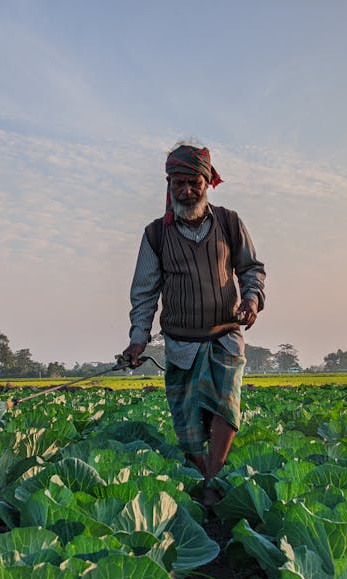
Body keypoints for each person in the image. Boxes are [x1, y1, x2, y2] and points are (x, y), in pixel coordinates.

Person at [122, 142, 266, 509]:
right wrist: (137, 340)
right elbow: (144, 293)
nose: (186, 191)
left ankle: (214, 484)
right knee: (187, 429)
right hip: (182, 344)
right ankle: (205, 475)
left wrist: (251, 300)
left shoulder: (229, 223)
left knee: (225, 407)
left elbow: (251, 269)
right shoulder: (156, 235)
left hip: (225, 336)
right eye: (178, 184)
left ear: (207, 181)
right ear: (169, 187)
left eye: (193, 182)